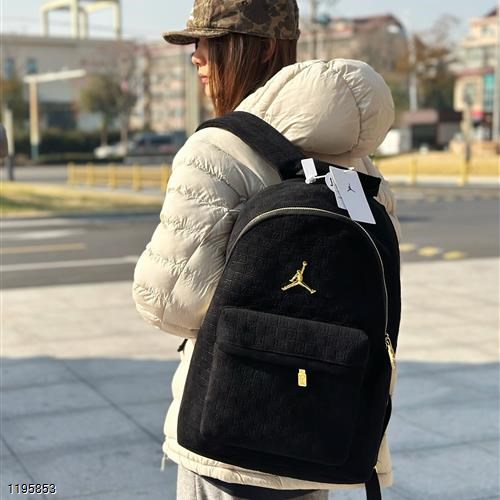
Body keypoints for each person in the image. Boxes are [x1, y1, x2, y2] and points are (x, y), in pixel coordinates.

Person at [133, 1, 400, 498]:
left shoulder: (217, 150)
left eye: (210, 41)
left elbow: (169, 303)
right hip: (328, 423)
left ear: (262, 48)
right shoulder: (359, 162)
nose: (196, 56)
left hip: (232, 428)